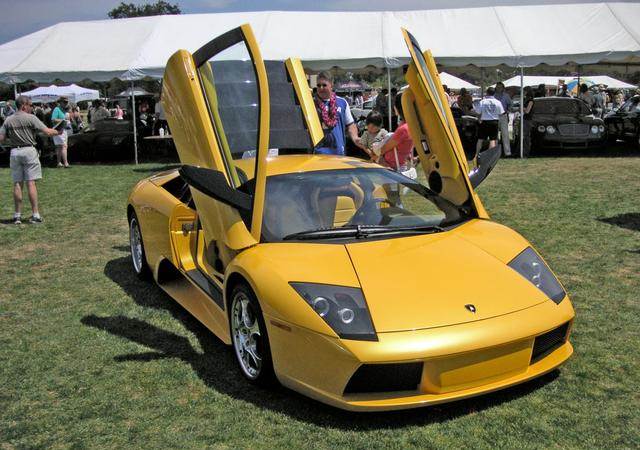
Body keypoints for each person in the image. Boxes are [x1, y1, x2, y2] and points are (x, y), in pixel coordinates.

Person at [0, 96, 60, 224]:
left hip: (15, 152)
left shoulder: (8, 120)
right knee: (31, 183)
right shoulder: (31, 118)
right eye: (30, 105)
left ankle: (17, 215)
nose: (31, 107)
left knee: (17, 183)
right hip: (29, 150)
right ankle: (35, 214)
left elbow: (1, 138)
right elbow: (47, 132)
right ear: (24, 105)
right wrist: (58, 131)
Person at [313, 72, 358, 155]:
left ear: (331, 85)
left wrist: (355, 138)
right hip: (319, 153)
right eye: (318, 85)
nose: (321, 88)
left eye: (324, 85)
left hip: (339, 152)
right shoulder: (311, 104)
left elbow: (350, 124)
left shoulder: (342, 102)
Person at [378, 92, 414, 171]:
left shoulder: (403, 129)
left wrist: (376, 153)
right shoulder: (412, 125)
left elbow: (384, 149)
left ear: (397, 107)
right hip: (401, 164)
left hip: (392, 167)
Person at [473, 87, 504, 157]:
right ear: (494, 93)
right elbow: (501, 113)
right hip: (494, 121)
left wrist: (479, 119)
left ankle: (477, 154)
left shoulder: (482, 102)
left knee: (480, 139)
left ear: (487, 93)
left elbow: (477, 112)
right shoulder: (498, 102)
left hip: (484, 121)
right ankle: (490, 155)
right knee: (492, 139)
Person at [494, 82, 512, 156]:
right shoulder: (493, 96)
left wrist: (508, 111)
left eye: (500, 87)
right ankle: (495, 152)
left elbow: (510, 104)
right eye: (497, 87)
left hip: (503, 116)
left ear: (503, 88)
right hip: (495, 116)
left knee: (505, 134)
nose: (499, 88)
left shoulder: (506, 96)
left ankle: (507, 152)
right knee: (495, 135)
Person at [51, 97, 70, 167]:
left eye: (67, 102)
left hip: (63, 130)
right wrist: (63, 120)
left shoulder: (64, 110)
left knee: (60, 147)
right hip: (58, 130)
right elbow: (53, 119)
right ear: (60, 102)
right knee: (63, 146)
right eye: (64, 102)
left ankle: (59, 163)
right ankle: (66, 163)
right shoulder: (57, 109)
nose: (66, 103)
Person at [521, 86, 535, 157]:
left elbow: (527, 111)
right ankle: (523, 151)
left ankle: (527, 152)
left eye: (524, 91)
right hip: (525, 119)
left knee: (526, 137)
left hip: (528, 120)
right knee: (524, 136)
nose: (523, 93)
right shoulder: (525, 99)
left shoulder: (531, 101)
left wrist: (522, 108)